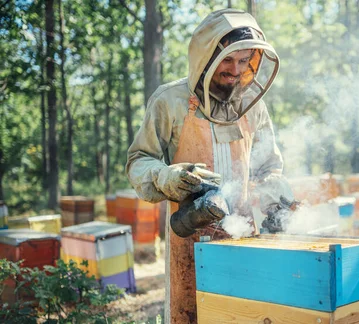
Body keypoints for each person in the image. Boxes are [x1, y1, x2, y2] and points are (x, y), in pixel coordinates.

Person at [126, 9, 293, 323]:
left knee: (246, 315)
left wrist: (275, 194)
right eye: (228, 61)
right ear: (206, 57)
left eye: (244, 61)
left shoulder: (253, 104)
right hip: (188, 234)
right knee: (191, 314)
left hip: (242, 234)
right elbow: (138, 160)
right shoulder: (170, 101)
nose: (235, 70)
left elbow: (268, 164)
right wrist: (164, 175)